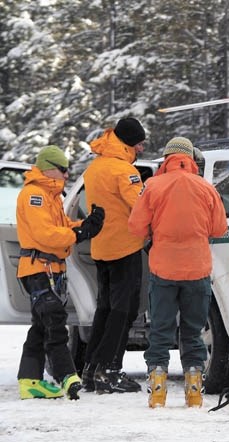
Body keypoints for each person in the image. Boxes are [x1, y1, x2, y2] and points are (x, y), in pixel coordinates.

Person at [128, 137, 227, 408]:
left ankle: (158, 390)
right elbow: (219, 229)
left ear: (167, 157)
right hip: (197, 270)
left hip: (163, 270)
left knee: (161, 330)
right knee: (193, 331)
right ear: (190, 158)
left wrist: (154, 232)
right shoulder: (206, 187)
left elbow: (135, 227)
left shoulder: (153, 186)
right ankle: (194, 390)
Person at [16, 146, 105, 400]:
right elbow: (45, 234)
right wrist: (78, 234)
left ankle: (29, 381)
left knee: (41, 326)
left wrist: (87, 225)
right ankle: (68, 376)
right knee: (55, 321)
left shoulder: (51, 196)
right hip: (37, 269)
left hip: (50, 269)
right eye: (63, 170)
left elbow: (63, 227)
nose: (66, 175)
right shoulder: (34, 195)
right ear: (48, 167)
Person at [82, 117, 147, 394]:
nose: (142, 149)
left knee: (105, 309)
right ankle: (109, 370)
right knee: (123, 310)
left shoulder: (94, 168)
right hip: (125, 248)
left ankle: (91, 368)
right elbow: (141, 205)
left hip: (101, 248)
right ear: (131, 142)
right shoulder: (124, 171)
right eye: (140, 143)